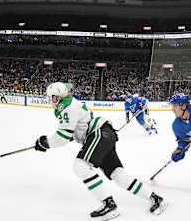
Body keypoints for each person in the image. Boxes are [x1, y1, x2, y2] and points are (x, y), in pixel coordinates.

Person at [35, 82, 167, 220]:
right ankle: (156, 198)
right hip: (104, 134)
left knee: (80, 166)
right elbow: (71, 134)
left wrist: (46, 143)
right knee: (117, 174)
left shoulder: (66, 107)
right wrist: (47, 143)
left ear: (56, 98)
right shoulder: (70, 103)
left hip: (98, 134)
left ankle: (109, 205)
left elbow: (63, 136)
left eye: (51, 97)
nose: (50, 100)